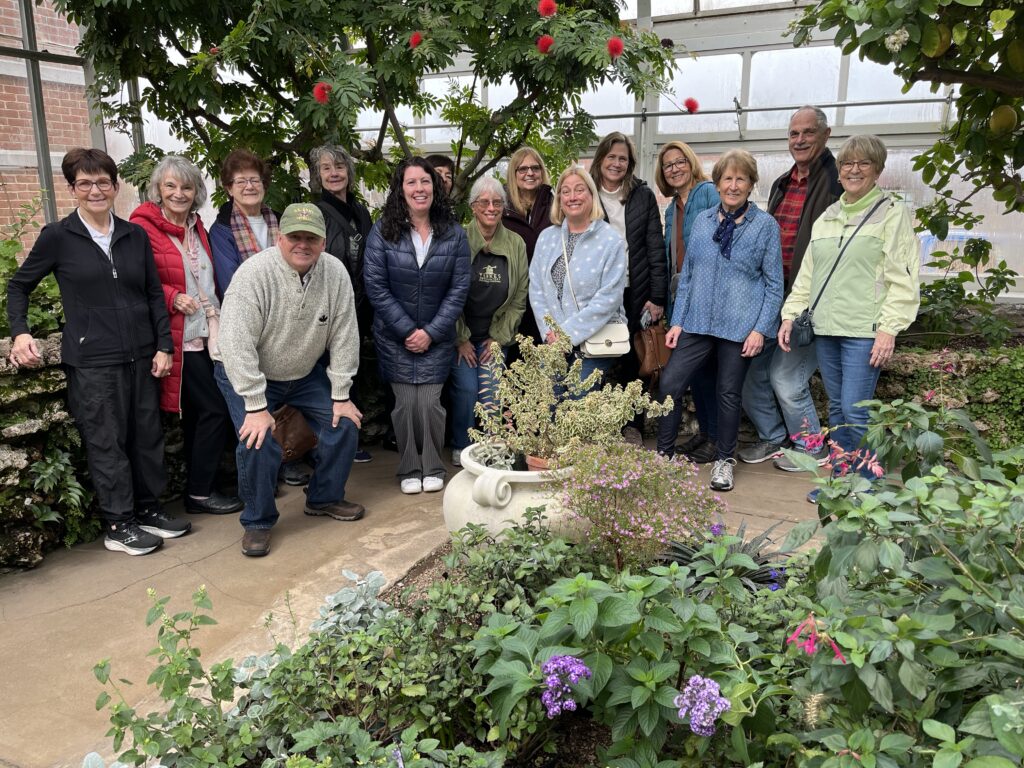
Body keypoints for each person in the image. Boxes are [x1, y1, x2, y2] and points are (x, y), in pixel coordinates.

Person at [7, 148, 188, 555]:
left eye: (103, 182)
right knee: (107, 443)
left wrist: (163, 345)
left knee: (146, 438)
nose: (95, 190)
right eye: (85, 183)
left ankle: (148, 510)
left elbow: (154, 294)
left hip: (142, 356)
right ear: (72, 189)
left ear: (115, 186)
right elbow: (19, 286)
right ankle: (119, 524)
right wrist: (20, 333)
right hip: (92, 362)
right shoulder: (58, 236)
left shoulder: (133, 235)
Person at [213, 203, 366, 557]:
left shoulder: (335, 273)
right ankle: (258, 521)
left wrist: (342, 394)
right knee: (258, 437)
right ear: (279, 238)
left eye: (310, 237)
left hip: (302, 372)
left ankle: (324, 498)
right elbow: (235, 343)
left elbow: (345, 335)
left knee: (343, 423)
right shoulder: (254, 274)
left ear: (323, 242)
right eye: (294, 236)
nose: (303, 244)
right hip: (247, 373)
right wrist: (255, 405)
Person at [779, 135, 919, 501]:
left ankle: (866, 486)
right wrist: (790, 315)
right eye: (847, 164)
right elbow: (809, 273)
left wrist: (889, 329)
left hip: (864, 331)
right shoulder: (829, 215)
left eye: (863, 163)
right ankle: (842, 479)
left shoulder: (891, 212)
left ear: (878, 169)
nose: (854, 170)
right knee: (838, 408)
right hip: (827, 328)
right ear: (839, 171)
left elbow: (901, 276)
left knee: (858, 411)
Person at [655, 149, 783, 493]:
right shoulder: (704, 222)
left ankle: (724, 460)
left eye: (741, 178)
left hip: (739, 327)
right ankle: (663, 454)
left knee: (728, 393)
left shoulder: (765, 226)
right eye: (728, 178)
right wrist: (678, 322)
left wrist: (759, 329)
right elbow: (690, 276)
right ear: (718, 183)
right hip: (697, 322)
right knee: (670, 384)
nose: (734, 185)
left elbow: (774, 284)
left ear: (751, 183)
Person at [130, 156, 244, 517]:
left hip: (210, 331)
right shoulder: (143, 227)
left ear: (197, 192)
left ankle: (204, 486)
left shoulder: (198, 226)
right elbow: (139, 279)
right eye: (171, 186)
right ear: (158, 190)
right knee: (213, 409)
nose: (179, 193)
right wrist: (171, 296)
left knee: (200, 414)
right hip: (179, 334)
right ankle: (198, 492)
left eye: (187, 186)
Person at [739, 106, 843, 468]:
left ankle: (812, 448)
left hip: (810, 305)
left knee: (785, 377)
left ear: (825, 135)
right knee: (750, 379)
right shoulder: (782, 183)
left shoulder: (837, 183)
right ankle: (772, 439)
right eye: (793, 134)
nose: (799, 140)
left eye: (808, 132)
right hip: (774, 299)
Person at [363, 158, 470, 495]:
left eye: (425, 182)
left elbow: (459, 287)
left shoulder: (453, 232)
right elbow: (375, 285)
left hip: (436, 337)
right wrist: (408, 331)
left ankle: (432, 466)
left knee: (431, 405)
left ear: (435, 187)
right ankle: (410, 467)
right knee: (406, 404)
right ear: (401, 189)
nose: (419, 189)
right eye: (411, 183)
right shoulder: (383, 230)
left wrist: (432, 332)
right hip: (396, 337)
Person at [589, 132, 666, 444]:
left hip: (635, 289)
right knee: (600, 357)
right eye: (611, 157)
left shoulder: (642, 195)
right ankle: (600, 424)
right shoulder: (588, 192)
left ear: (630, 163)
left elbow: (655, 247)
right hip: (598, 293)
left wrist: (657, 296)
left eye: (622, 158)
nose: (616, 163)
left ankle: (631, 424)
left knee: (634, 359)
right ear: (601, 160)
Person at [449, 177, 528, 467]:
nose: (491, 208)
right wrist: (460, 338)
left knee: (492, 389)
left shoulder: (515, 243)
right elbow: (447, 292)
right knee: (468, 389)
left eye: (497, 202)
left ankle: (489, 448)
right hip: (463, 337)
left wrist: (498, 338)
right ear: (473, 207)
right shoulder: (458, 238)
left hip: (496, 336)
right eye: (484, 202)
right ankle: (461, 444)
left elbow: (520, 296)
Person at [530, 165, 627, 384]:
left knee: (580, 406)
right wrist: (550, 334)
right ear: (559, 199)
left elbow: (609, 299)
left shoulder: (610, 240)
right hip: (553, 344)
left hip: (594, 346)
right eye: (566, 191)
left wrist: (567, 335)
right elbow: (536, 290)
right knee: (549, 407)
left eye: (579, 189)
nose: (572, 197)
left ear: (592, 195)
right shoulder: (547, 238)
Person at [655, 140, 721, 463]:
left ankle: (713, 440)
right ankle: (706, 436)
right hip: (681, 302)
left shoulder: (708, 193)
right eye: (668, 165)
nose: (675, 168)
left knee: (704, 374)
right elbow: (672, 260)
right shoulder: (671, 209)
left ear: (691, 162)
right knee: (697, 375)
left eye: (680, 161)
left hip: (705, 300)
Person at [310, 144, 375, 464]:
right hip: (326, 306)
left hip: (359, 306)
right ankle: (326, 445)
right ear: (318, 175)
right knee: (324, 375)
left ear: (349, 172)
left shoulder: (362, 213)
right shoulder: (315, 213)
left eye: (339, 167)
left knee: (351, 370)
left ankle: (350, 439)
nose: (333, 173)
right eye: (326, 168)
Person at [209, 148, 280, 295]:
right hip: (246, 309)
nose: (249, 186)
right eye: (241, 181)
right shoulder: (222, 230)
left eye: (255, 180)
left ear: (264, 185)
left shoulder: (282, 222)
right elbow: (231, 283)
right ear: (229, 189)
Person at [502, 146, 554, 342]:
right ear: (513, 173)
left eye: (535, 168)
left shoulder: (555, 203)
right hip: (512, 298)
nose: (530, 173)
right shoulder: (501, 207)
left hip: (547, 298)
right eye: (522, 169)